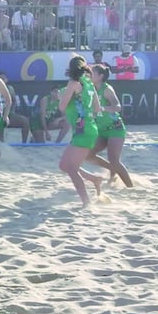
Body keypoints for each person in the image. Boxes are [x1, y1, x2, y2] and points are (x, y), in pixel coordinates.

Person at [58, 55, 105, 206]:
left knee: (71, 169)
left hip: (83, 129)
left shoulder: (73, 83)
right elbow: (97, 109)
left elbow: (62, 107)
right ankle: (94, 179)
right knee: (64, 165)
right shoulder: (89, 84)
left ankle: (86, 201)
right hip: (87, 127)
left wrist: (63, 95)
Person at [87, 63, 133, 187]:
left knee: (114, 160)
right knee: (88, 154)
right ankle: (112, 169)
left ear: (101, 76)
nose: (89, 75)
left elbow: (118, 107)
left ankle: (130, 187)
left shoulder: (106, 89)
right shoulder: (90, 88)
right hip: (101, 130)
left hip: (115, 128)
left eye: (92, 73)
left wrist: (102, 108)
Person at [0, 71, 30, 144]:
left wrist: (12, 111)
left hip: (9, 114)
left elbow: (14, 100)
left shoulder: (10, 88)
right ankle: (0, 144)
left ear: (7, 80)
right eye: (0, 78)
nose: (2, 80)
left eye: (3, 78)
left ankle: (24, 144)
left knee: (25, 121)